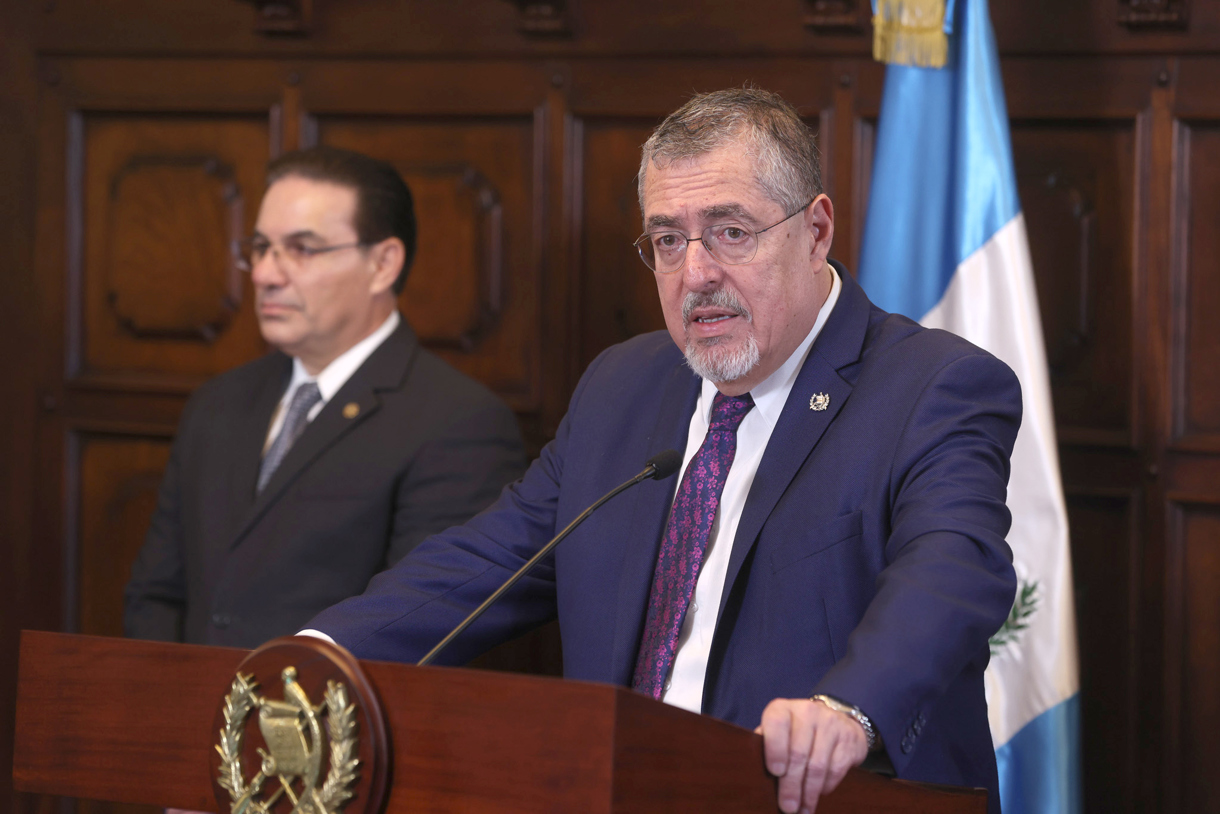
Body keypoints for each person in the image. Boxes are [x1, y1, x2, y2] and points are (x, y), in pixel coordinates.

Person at [304, 89, 1019, 814]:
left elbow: (952, 569)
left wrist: (847, 710)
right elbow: (486, 563)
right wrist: (310, 656)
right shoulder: (624, 385)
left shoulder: (932, 386)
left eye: (731, 232)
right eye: (668, 240)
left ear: (816, 230)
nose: (696, 273)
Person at [124, 146, 527, 650]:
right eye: (261, 247)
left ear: (383, 264)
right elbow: (156, 594)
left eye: (302, 249)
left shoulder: (458, 423)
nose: (267, 274)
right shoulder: (217, 403)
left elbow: (421, 627)